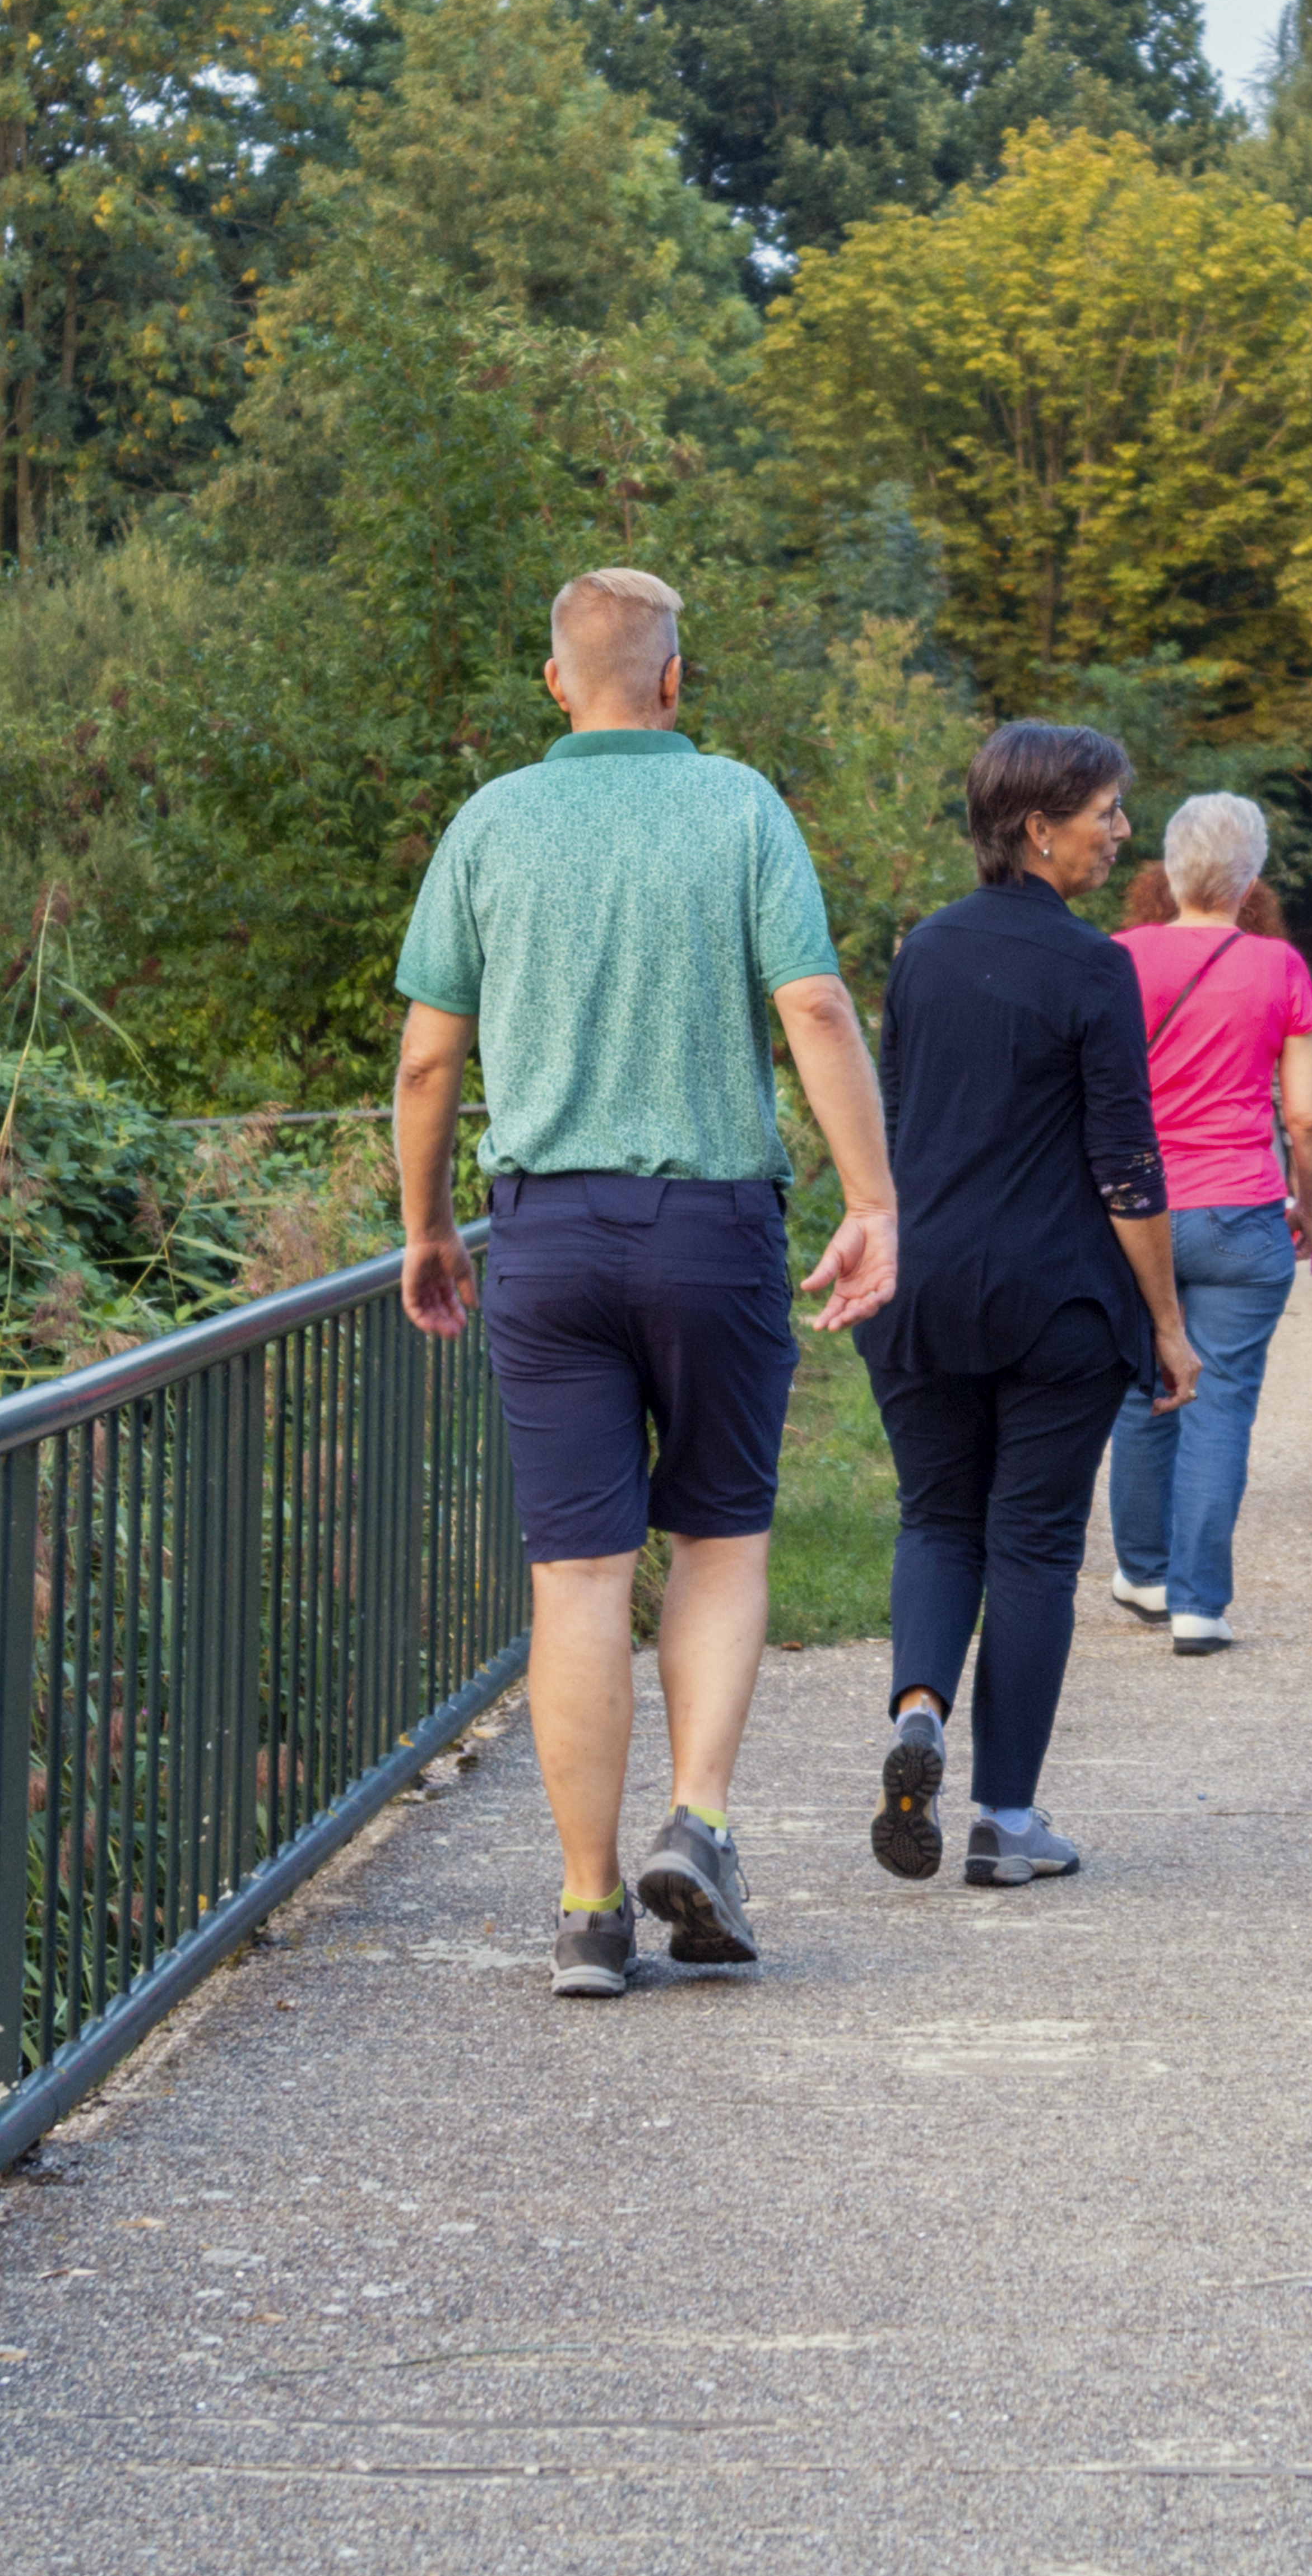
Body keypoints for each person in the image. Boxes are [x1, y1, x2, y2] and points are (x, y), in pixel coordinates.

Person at [392, 567, 898, 2003]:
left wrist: (427, 1227)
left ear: (556, 680)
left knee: (578, 1574)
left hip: (545, 1235)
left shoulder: (490, 821)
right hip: (710, 1227)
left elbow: (426, 1060)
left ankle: (586, 1911)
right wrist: (872, 1200)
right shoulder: (738, 804)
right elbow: (813, 1004)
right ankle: (701, 1824)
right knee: (719, 1538)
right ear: (675, 678)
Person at [855, 725, 1201, 1888]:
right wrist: (1165, 1323)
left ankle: (918, 1712)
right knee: (1035, 1549)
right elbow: (1126, 1166)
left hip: (922, 1290)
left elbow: (894, 1121)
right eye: (1105, 812)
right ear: (1038, 828)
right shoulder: (1093, 965)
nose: (1121, 831)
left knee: (934, 1520)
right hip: (1058, 1300)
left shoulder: (922, 952)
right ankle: (1004, 1819)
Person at [1100, 794, 1312, 1652]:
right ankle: (1198, 1602)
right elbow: (1303, 1116)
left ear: (1167, 868)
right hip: (1239, 1207)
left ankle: (1143, 1571)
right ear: (1250, 876)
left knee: (1143, 1385)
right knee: (1221, 1400)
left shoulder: (1118, 957)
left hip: (1137, 1212)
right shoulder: (1279, 965)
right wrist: (1307, 1201)